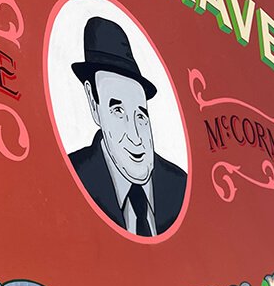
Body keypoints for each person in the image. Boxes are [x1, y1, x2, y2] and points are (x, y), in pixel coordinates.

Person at [68, 17, 187, 237]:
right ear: (94, 105)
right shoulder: (71, 177)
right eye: (118, 112)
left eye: (141, 116)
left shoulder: (180, 187)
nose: (136, 138)